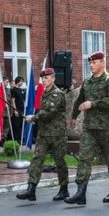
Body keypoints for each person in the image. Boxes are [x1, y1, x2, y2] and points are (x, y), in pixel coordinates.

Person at [65, 51, 109, 205]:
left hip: (107, 128)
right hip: (90, 127)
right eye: (90, 63)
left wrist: (93, 104)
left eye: (94, 62)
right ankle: (80, 192)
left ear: (103, 62)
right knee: (84, 158)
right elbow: (80, 99)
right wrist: (74, 116)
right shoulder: (88, 81)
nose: (91, 65)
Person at [16, 67, 69, 201]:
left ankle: (64, 189)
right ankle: (31, 189)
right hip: (44, 134)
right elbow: (44, 114)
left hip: (57, 134)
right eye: (43, 78)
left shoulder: (57, 94)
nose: (44, 81)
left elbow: (50, 112)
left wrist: (33, 118)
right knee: (37, 160)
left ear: (53, 78)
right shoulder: (45, 93)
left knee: (60, 162)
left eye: (46, 78)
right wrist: (36, 119)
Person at [10, 76, 26, 142]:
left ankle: (20, 138)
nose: (22, 83)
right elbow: (13, 100)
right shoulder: (14, 90)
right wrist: (15, 110)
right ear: (18, 81)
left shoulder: (21, 90)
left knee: (21, 125)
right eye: (21, 81)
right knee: (16, 125)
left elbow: (23, 100)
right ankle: (16, 139)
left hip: (22, 110)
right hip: (17, 109)